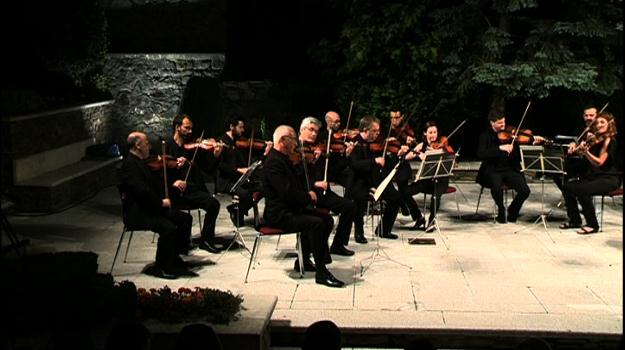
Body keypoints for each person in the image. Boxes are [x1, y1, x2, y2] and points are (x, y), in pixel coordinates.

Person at [262, 125, 345, 288]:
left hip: (291, 208)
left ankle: (305, 259)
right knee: (316, 224)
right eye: (293, 139)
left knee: (327, 219)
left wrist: (308, 166)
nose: (296, 143)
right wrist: (307, 196)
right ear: (282, 141)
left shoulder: (285, 159)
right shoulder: (273, 162)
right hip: (279, 214)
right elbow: (286, 192)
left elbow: (298, 184)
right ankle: (321, 272)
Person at [120, 131, 197, 279]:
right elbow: (142, 191)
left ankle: (174, 257)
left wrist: (171, 186)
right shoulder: (130, 165)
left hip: (151, 208)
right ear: (137, 145)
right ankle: (161, 266)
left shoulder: (141, 161)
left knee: (184, 219)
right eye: (146, 143)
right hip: (139, 213)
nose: (149, 146)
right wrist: (161, 202)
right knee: (169, 228)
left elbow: (155, 185)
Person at [297, 117, 356, 256]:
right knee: (316, 217)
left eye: (316, 131)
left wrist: (346, 156)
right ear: (302, 130)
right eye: (311, 130)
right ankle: (310, 249)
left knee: (350, 206)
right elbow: (295, 177)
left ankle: (338, 245)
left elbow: (332, 172)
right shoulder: (295, 150)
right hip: (304, 194)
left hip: (322, 193)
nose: (314, 134)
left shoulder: (317, 150)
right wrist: (314, 183)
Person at [166, 114, 223, 254]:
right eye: (187, 128)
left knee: (213, 204)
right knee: (184, 215)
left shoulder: (193, 148)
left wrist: (215, 155)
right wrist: (174, 181)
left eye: (191, 128)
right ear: (177, 127)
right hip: (172, 190)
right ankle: (180, 243)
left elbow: (208, 168)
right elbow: (159, 171)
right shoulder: (167, 146)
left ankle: (206, 240)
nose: (190, 131)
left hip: (191, 190)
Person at [560, 112, 620, 234]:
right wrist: (577, 148)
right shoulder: (595, 139)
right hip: (595, 177)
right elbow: (583, 155)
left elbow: (599, 163)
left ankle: (593, 225)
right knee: (567, 187)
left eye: (602, 122)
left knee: (582, 189)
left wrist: (586, 152)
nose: (599, 125)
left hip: (609, 178)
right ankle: (575, 220)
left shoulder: (610, 140)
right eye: (597, 122)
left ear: (610, 124)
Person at [348, 116, 403, 242]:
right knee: (359, 199)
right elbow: (355, 165)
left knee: (396, 197)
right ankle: (359, 233)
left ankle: (384, 229)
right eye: (375, 131)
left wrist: (397, 155)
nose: (378, 134)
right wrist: (374, 161)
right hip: (359, 181)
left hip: (374, 179)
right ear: (366, 130)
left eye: (378, 131)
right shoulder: (355, 143)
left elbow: (384, 162)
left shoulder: (374, 144)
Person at [476, 110, 531, 223]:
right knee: (496, 187)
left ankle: (513, 209)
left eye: (504, 122)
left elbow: (518, 156)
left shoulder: (510, 136)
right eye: (500, 123)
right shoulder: (485, 135)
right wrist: (499, 148)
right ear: (492, 123)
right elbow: (481, 154)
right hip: (492, 170)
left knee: (525, 190)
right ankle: (501, 208)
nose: (503, 126)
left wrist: (531, 141)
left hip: (510, 169)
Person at [217, 118, 272, 227]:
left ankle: (239, 211)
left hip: (240, 180)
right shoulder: (221, 142)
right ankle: (236, 211)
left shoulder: (239, 143)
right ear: (232, 127)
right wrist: (237, 170)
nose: (242, 130)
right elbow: (220, 165)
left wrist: (265, 153)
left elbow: (253, 162)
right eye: (240, 127)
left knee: (265, 187)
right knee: (245, 194)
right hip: (226, 181)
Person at [403, 121, 453, 232]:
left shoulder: (442, 144)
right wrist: (415, 151)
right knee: (405, 192)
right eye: (430, 132)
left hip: (441, 180)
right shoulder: (422, 145)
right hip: (426, 180)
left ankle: (431, 221)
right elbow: (406, 157)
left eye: (435, 132)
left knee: (435, 196)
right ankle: (418, 217)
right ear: (425, 133)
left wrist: (441, 152)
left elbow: (451, 157)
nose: (433, 135)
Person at [387, 109, 420, 222]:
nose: (394, 120)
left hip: (402, 163)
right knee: (389, 189)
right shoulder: (386, 130)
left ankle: (416, 215)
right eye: (392, 118)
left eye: (396, 118)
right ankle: (401, 205)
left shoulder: (406, 130)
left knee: (403, 190)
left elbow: (412, 148)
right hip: (388, 164)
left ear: (402, 117)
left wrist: (409, 142)